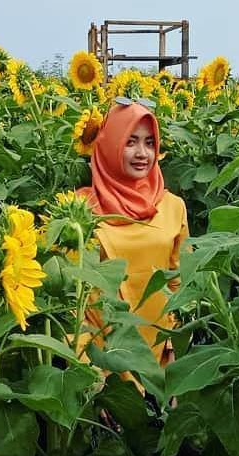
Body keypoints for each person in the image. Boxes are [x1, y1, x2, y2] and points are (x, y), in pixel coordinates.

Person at [76, 99, 190, 372]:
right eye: (130, 141)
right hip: (102, 359)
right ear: (111, 144)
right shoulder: (80, 209)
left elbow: (180, 285)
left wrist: (175, 355)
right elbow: (73, 300)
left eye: (150, 142)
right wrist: (87, 371)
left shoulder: (172, 206)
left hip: (159, 356)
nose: (142, 153)